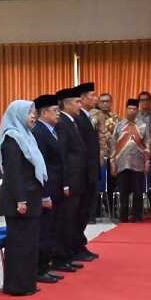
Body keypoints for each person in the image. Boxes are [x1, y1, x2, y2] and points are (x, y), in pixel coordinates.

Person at [0, 99, 49, 296]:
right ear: (18, 115)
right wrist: (20, 199)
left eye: (34, 112)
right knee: (19, 245)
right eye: (29, 113)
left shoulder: (27, 136)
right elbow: (14, 173)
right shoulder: (12, 139)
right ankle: (17, 286)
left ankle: (27, 283)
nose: (34, 116)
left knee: (29, 243)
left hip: (31, 197)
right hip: (19, 201)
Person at [31, 94, 68, 284]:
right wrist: (44, 194)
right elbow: (41, 166)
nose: (58, 114)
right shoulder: (39, 132)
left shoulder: (53, 130)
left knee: (53, 228)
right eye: (54, 111)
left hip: (56, 187)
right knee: (44, 230)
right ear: (44, 113)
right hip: (47, 189)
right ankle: (40, 268)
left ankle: (47, 265)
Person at [55, 88, 87, 272]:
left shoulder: (73, 122)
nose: (80, 105)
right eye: (77, 102)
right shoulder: (63, 123)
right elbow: (64, 154)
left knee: (72, 218)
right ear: (66, 104)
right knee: (65, 219)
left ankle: (68, 254)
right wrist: (66, 181)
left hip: (77, 178)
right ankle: (62, 257)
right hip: (70, 179)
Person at [71, 82, 101, 258]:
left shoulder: (87, 116)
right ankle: (76, 246)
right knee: (80, 211)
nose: (95, 98)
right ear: (82, 98)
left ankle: (79, 244)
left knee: (86, 210)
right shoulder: (78, 118)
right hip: (83, 173)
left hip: (91, 171)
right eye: (92, 95)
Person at [111, 98, 151, 222]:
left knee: (138, 192)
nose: (132, 111)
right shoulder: (119, 125)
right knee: (123, 192)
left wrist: (147, 161)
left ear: (138, 110)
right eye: (130, 108)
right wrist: (112, 162)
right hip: (122, 163)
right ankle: (123, 217)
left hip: (138, 163)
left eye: (134, 109)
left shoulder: (143, 125)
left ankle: (137, 216)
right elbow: (113, 144)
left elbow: (147, 144)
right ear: (126, 109)